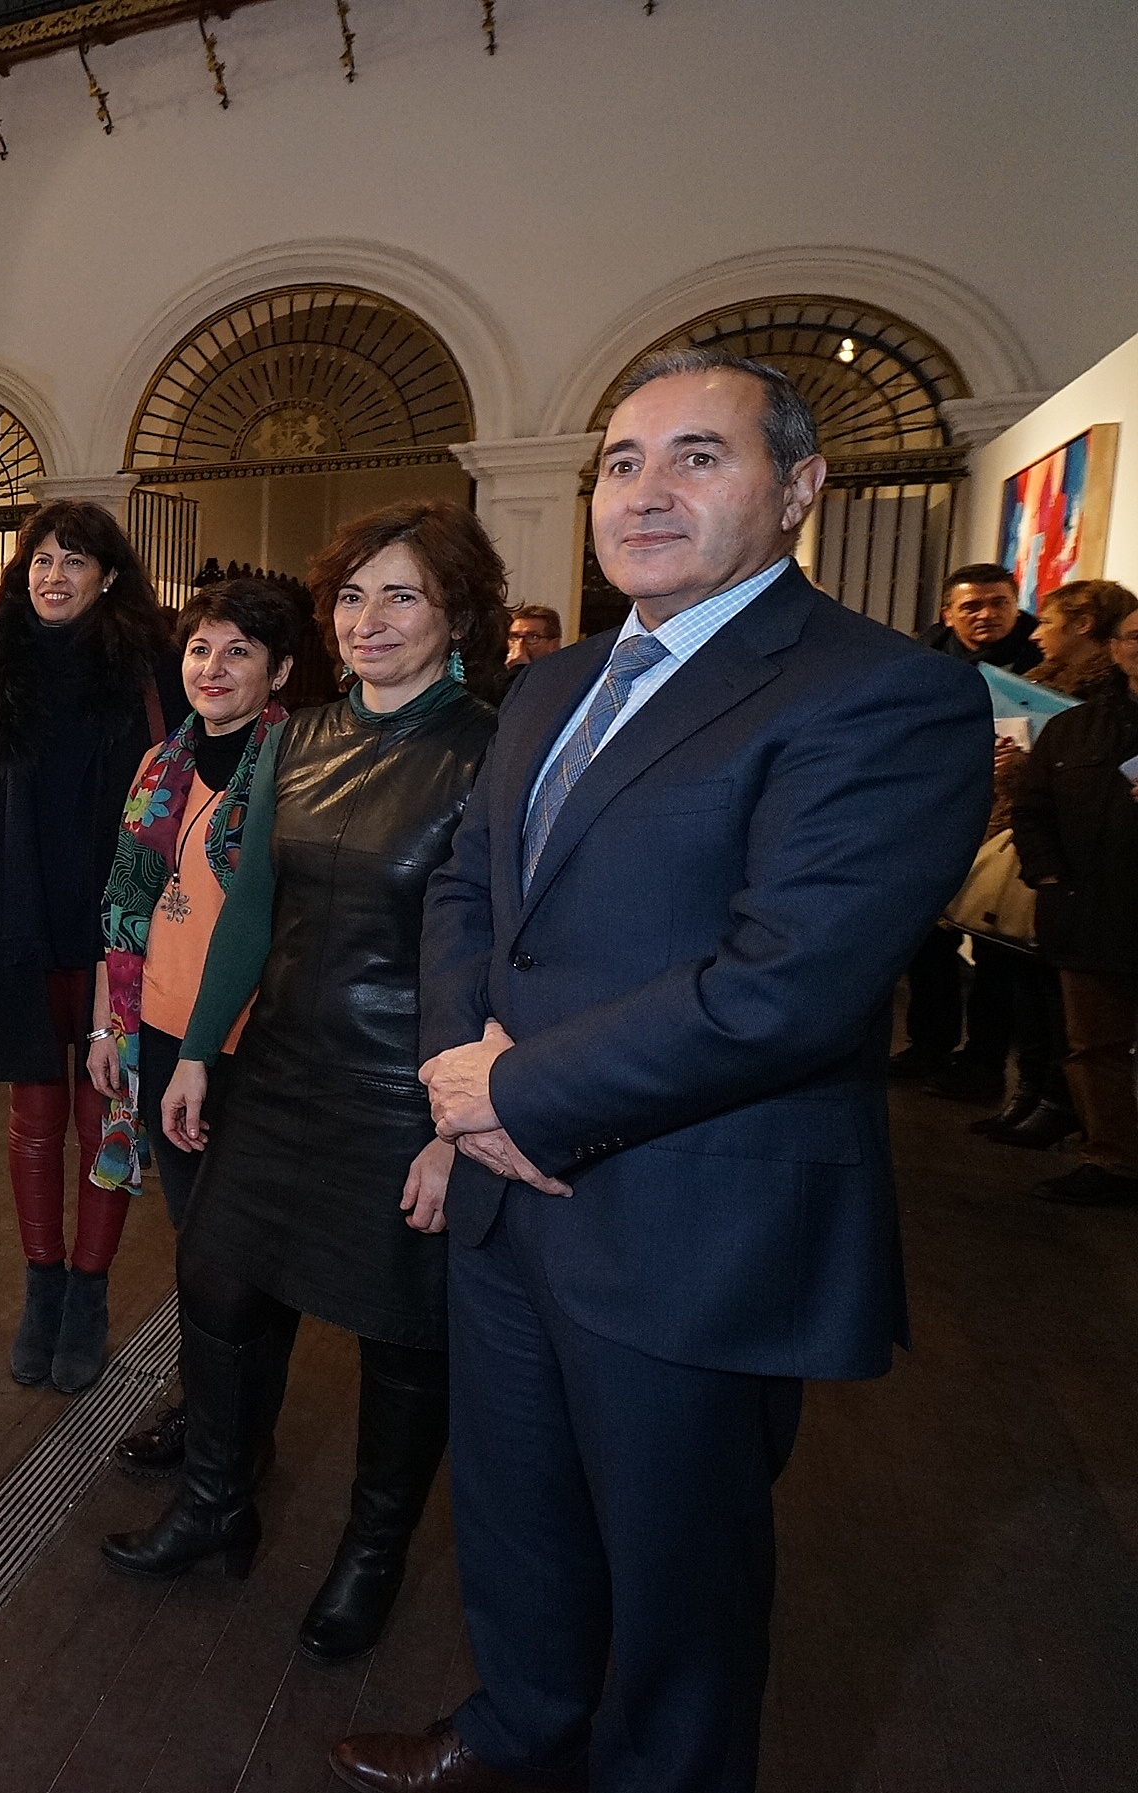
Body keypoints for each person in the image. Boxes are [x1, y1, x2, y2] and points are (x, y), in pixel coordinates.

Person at [335, 350, 990, 1793]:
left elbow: (790, 982)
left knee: (679, 1572)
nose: (645, 492)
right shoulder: (553, 681)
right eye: (622, 462)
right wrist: (457, 1071)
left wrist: (517, 1093)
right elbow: (468, 888)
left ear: (800, 486)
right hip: (505, 1202)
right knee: (513, 1508)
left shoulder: (880, 693)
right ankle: (520, 1724)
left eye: (699, 456)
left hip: (688, 1216)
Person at [103, 501, 506, 1677]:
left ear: (454, 615)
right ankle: (215, 1503)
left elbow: (503, 946)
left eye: (399, 595)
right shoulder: (303, 737)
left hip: (404, 1088)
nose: (366, 620)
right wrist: (193, 1052)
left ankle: (369, 1556)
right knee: (218, 1282)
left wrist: (456, 1125)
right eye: (350, 596)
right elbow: (250, 911)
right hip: (274, 1067)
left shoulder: (490, 750)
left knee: (399, 1336)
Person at [0, 501, 184, 1393]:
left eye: (73, 560)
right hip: (19, 922)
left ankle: (89, 1290)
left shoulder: (149, 667)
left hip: (114, 933)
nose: (53, 576)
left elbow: (182, 790)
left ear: (108, 575)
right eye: (41, 559)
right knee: (35, 1120)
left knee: (106, 1119)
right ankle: (42, 1284)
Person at [85, 579, 297, 1475]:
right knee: (197, 1238)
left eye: (238, 650)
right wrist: (108, 1029)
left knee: (245, 1248)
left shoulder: (296, 766)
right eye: (201, 648)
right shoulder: (160, 763)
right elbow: (124, 902)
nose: (213, 667)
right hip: (160, 1032)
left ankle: (236, 1430)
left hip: (247, 1045)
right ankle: (209, 1410)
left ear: (279, 670)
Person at [898, 563, 1064, 1115]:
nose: (986, 614)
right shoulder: (921, 660)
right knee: (927, 943)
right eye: (971, 606)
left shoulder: (1046, 666)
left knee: (996, 950)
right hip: (932, 817)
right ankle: (927, 1045)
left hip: (1007, 825)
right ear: (948, 614)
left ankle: (983, 1063)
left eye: (998, 603)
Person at [1010, 585, 1138, 1207]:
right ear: (1114, 648)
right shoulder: (1075, 727)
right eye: (1136, 638)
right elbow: (1033, 811)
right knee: (1094, 1046)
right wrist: (1049, 877)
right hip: (1092, 910)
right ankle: (1113, 1160)